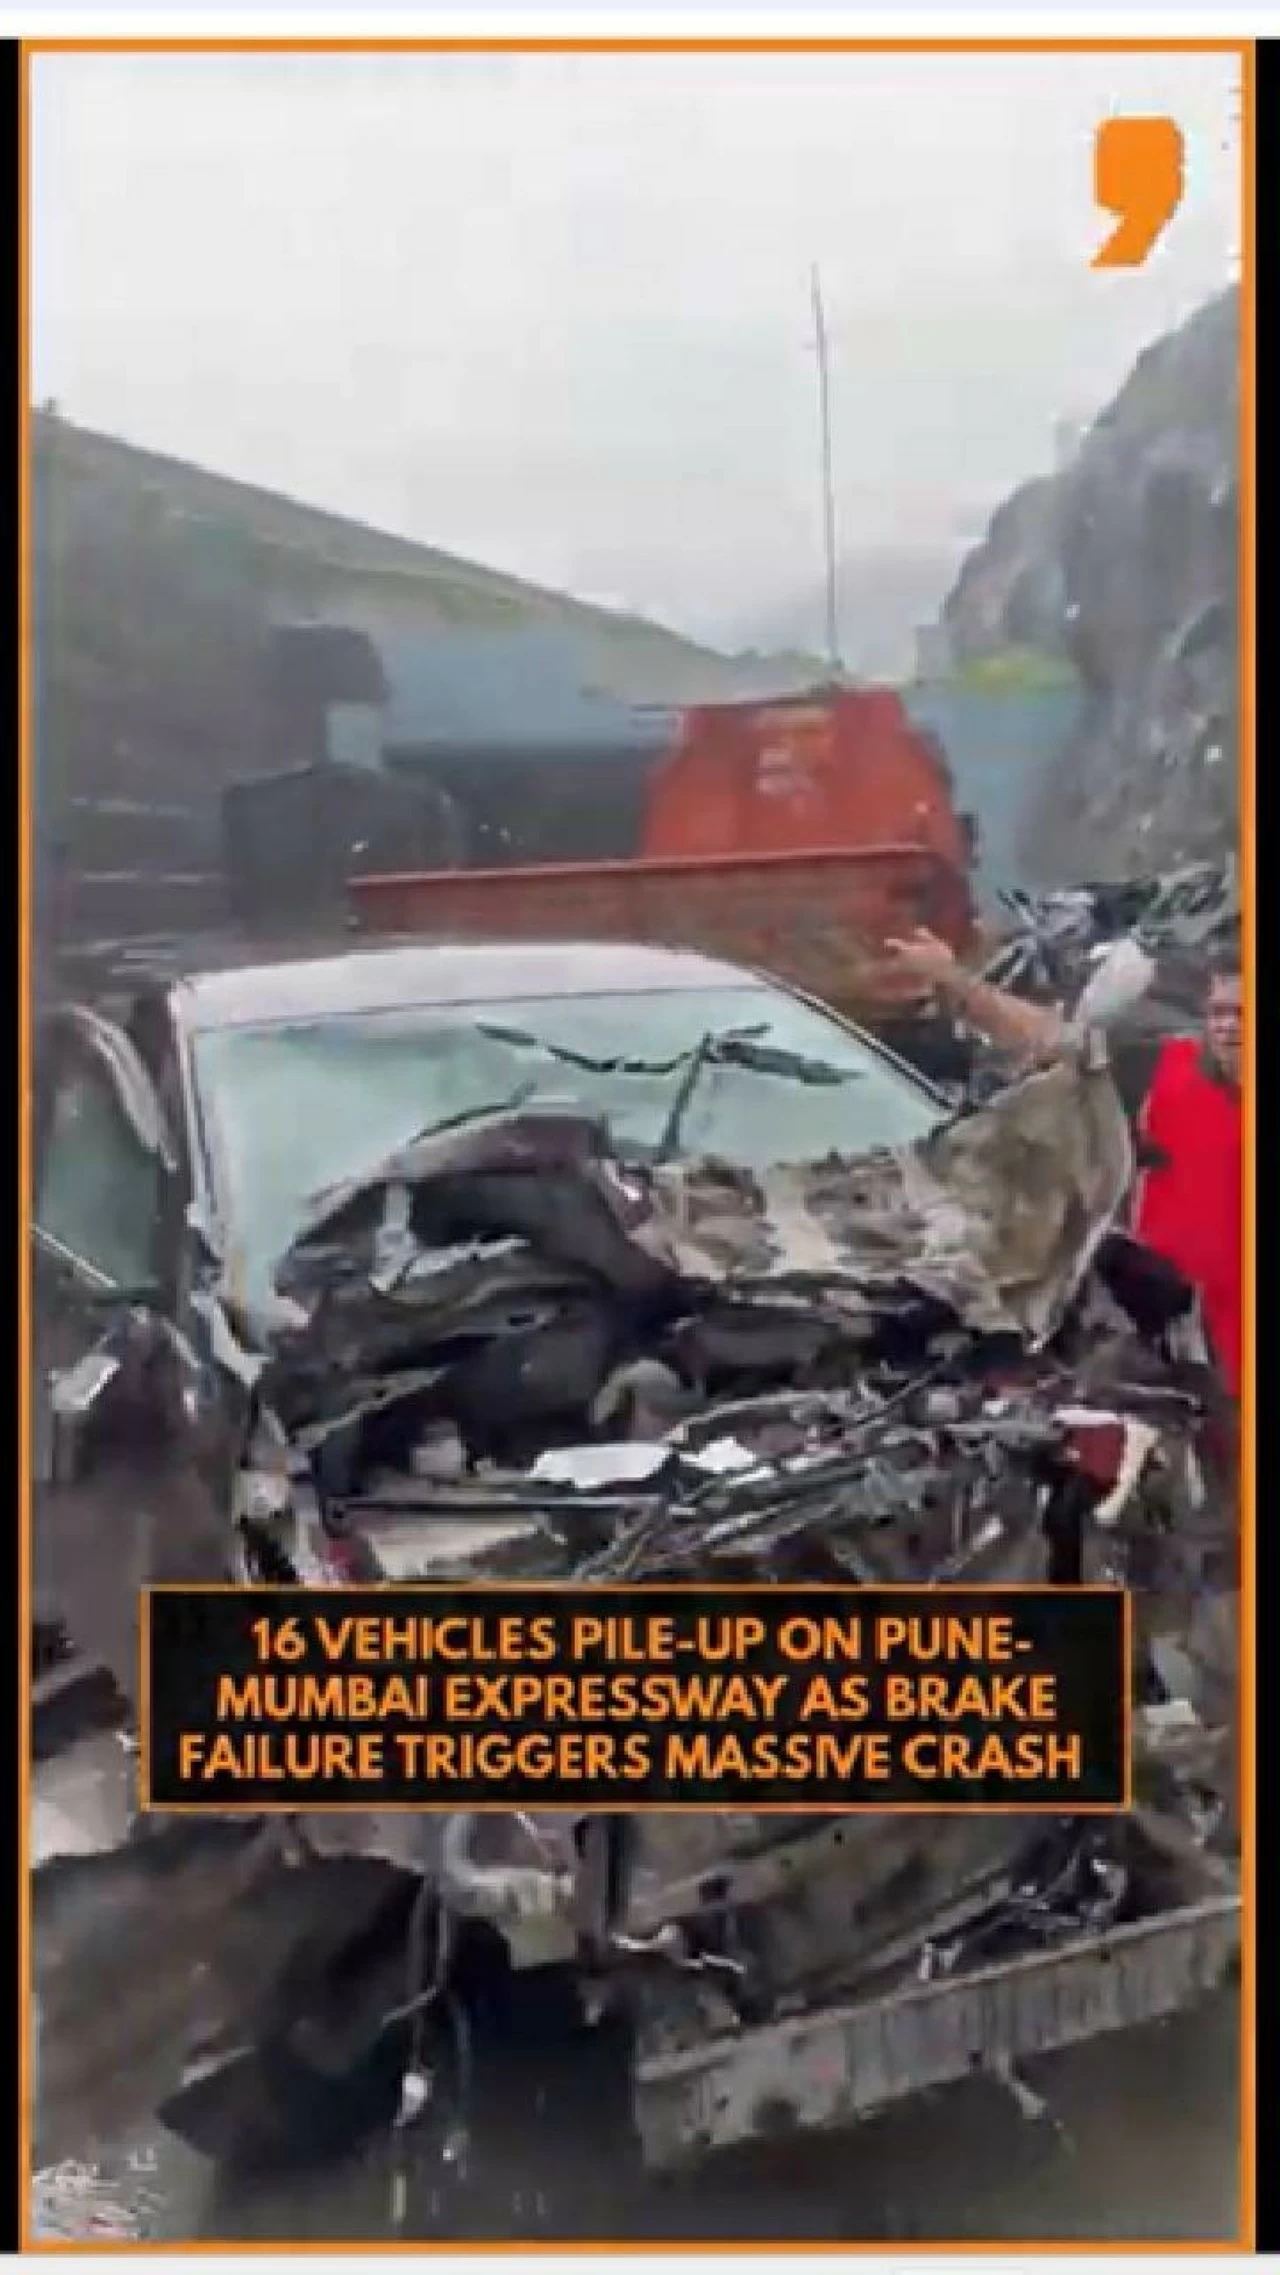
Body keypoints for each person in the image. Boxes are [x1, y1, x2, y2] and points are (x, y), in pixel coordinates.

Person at [883, 928, 1243, 1394]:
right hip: (1183, 1356)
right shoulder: (1158, 1072)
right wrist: (954, 980)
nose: (1227, 1027)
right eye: (1218, 1012)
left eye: (1241, 1013)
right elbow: (1051, 1039)